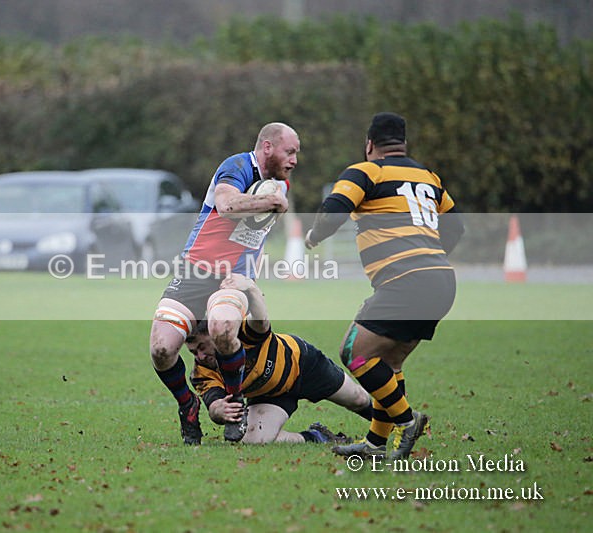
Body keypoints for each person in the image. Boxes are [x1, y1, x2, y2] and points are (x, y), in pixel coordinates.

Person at [304, 112, 464, 460]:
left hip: (408, 281)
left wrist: (314, 235)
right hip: (441, 281)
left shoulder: (366, 171)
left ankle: (407, 420)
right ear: (403, 143)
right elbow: (456, 228)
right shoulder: (428, 177)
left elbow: (334, 210)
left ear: (369, 144)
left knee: (354, 352)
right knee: (388, 363)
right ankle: (376, 444)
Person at [150, 122, 300, 445]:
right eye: (290, 152)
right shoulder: (237, 166)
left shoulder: (278, 185)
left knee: (222, 328)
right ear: (268, 147)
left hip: (234, 278)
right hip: (194, 271)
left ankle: (235, 401)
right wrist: (271, 203)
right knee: (161, 348)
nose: (294, 160)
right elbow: (227, 205)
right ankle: (188, 406)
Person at [187, 274, 373, 444]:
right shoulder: (201, 373)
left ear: (214, 334)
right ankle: (318, 436)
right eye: (194, 352)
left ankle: (389, 426)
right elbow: (214, 403)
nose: (200, 356)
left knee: (358, 399)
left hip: (303, 364)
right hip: (269, 395)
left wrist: (250, 288)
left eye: (202, 347)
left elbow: (261, 320)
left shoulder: (241, 334)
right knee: (254, 439)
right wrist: (218, 411)